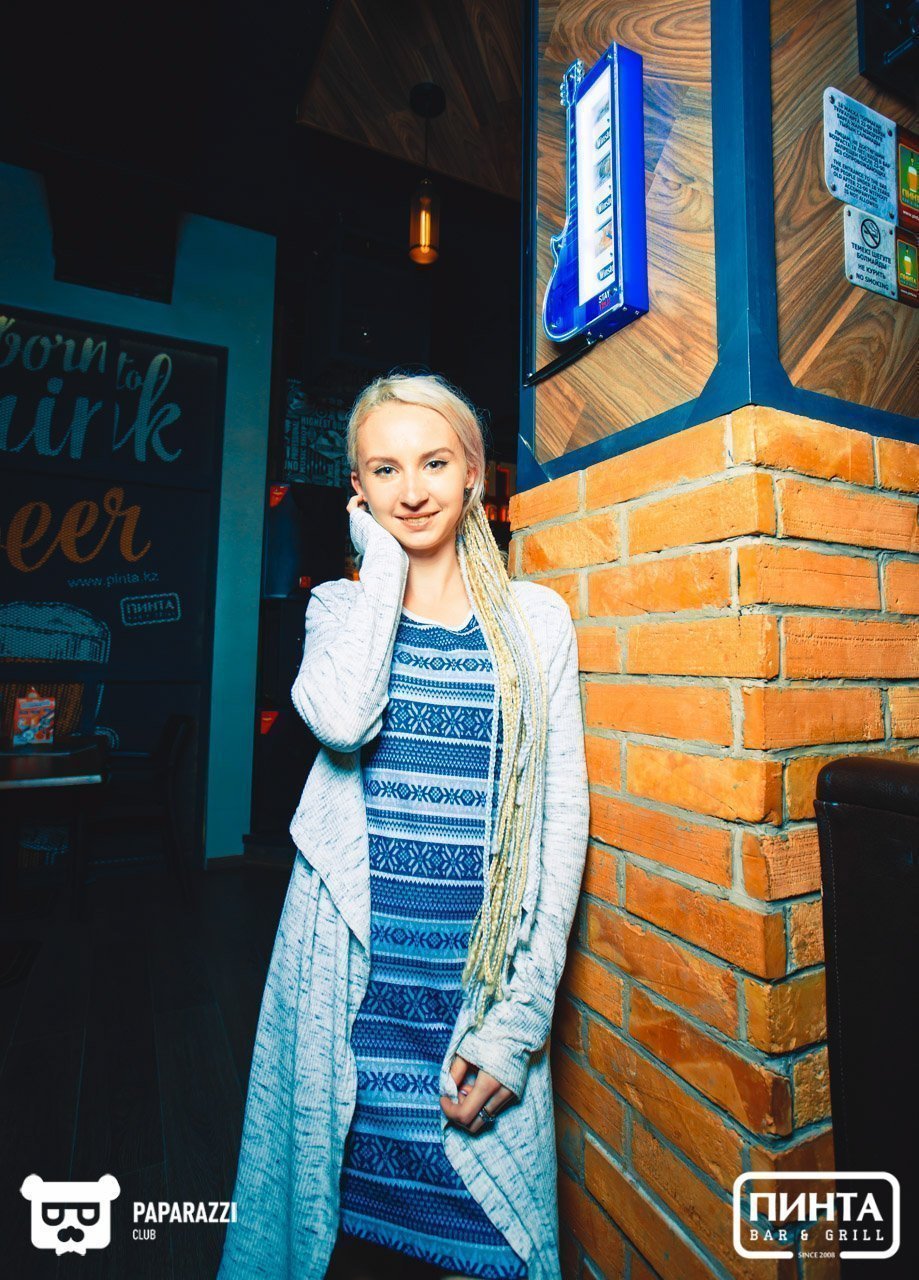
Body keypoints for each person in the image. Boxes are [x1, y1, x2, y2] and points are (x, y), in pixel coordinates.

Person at [217, 372, 589, 1280]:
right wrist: (379, 566)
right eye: (384, 470)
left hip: (472, 995)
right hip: (349, 995)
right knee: (333, 1243)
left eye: (434, 463)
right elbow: (343, 721)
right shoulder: (339, 611)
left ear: (473, 475)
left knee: (493, 1245)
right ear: (358, 490)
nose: (412, 490)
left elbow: (558, 823)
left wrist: (516, 1025)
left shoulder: (535, 622)